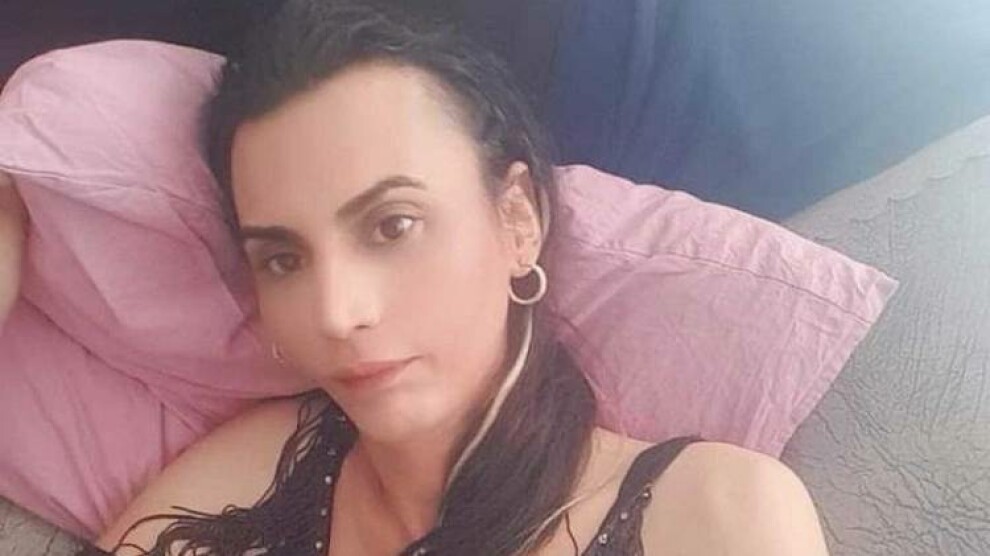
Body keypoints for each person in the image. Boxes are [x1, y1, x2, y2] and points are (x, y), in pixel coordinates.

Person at [0, 0, 829, 554]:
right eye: (283, 258)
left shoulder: (714, 514)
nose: (336, 311)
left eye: (392, 225)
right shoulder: (249, 482)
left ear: (518, 219)